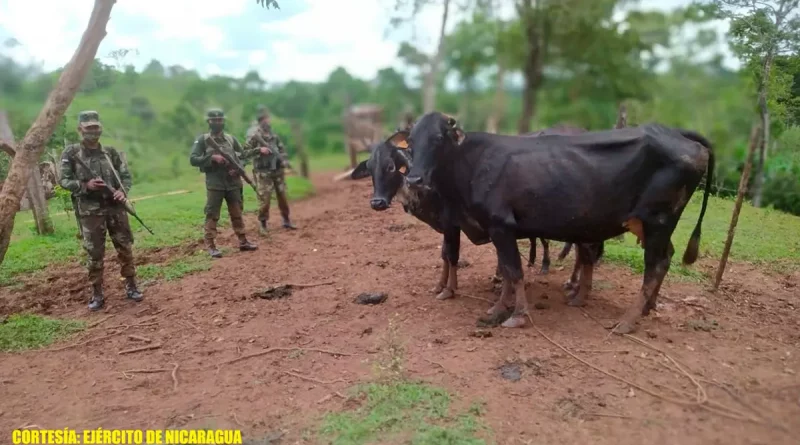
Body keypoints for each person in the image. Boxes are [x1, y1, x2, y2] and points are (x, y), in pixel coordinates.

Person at [59, 110, 143, 311]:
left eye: (96, 127)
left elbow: (125, 177)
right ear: (80, 129)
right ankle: (97, 293)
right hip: (91, 212)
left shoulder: (110, 152)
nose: (93, 131)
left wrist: (122, 193)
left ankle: (131, 286)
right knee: (94, 253)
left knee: (125, 248)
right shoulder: (71, 154)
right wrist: (85, 186)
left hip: (115, 208)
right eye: (89, 128)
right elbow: (63, 180)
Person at [189, 108, 258, 258]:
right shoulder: (203, 140)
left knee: (237, 212)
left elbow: (244, 156)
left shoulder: (231, 139)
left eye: (220, 120)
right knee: (212, 214)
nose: (218, 122)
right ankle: (211, 246)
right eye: (214, 120)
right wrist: (212, 159)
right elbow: (193, 159)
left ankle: (243, 241)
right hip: (215, 184)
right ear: (209, 122)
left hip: (233, 182)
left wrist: (238, 167)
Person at [242, 107, 296, 234]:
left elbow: (281, 149)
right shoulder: (254, 136)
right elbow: (244, 153)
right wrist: (259, 150)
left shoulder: (273, 135)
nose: (268, 121)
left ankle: (286, 220)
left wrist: (284, 160)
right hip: (263, 172)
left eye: (269, 119)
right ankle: (263, 224)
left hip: (277, 171)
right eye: (266, 119)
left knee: (282, 196)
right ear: (261, 121)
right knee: (264, 199)